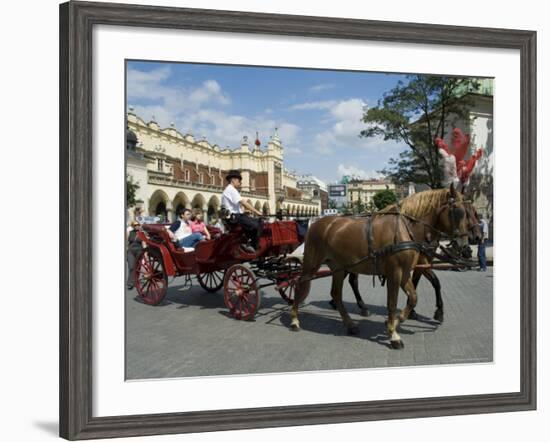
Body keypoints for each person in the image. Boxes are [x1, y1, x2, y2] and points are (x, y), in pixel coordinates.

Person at [221, 169, 263, 253]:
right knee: (258, 224)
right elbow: (243, 202)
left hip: (235, 216)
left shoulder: (230, 190)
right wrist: (256, 211)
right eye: (239, 180)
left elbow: (233, 207)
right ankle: (252, 245)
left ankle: (248, 242)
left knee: (256, 223)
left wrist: (245, 212)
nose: (240, 183)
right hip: (234, 218)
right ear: (233, 180)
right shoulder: (231, 190)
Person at [126, 220, 143, 290]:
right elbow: (126, 242)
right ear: (133, 226)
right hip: (131, 251)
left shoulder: (142, 233)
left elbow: (144, 243)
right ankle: (130, 283)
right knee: (131, 267)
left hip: (139, 250)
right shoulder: (129, 232)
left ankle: (135, 281)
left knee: (137, 267)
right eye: (135, 225)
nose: (137, 226)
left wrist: (146, 253)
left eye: (138, 225)